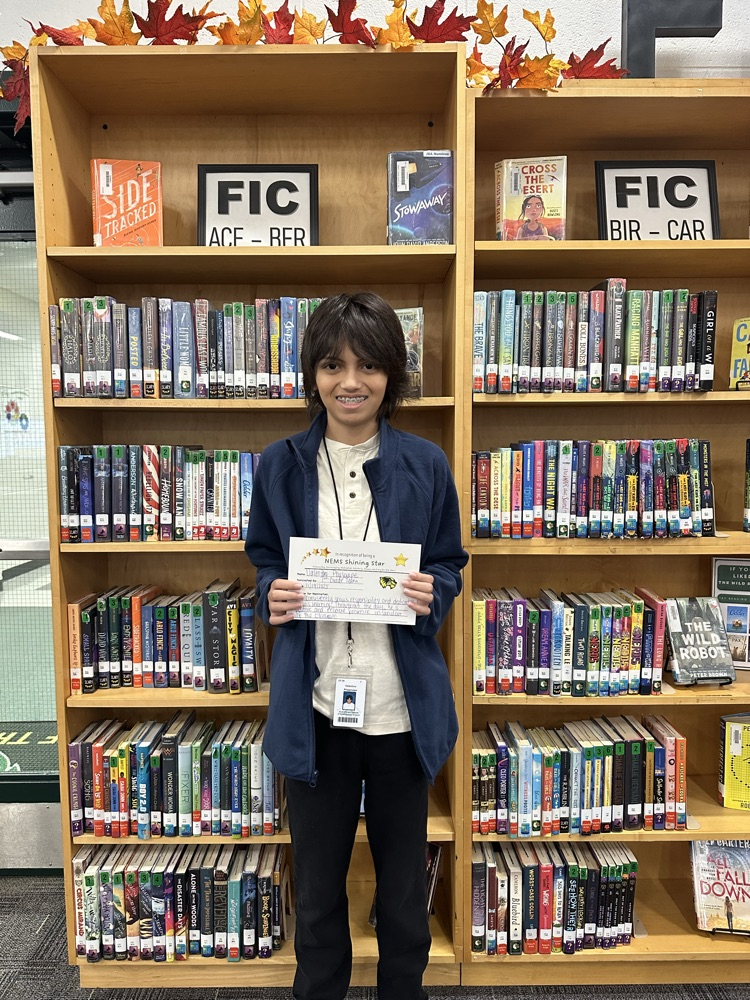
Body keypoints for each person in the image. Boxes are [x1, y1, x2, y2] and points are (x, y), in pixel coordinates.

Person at [245, 292, 467, 1000]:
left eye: (369, 365)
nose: (351, 381)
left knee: (404, 894)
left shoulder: (425, 464)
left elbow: (449, 562)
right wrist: (271, 593)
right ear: (312, 372)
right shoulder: (279, 465)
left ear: (391, 376)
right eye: (334, 364)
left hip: (399, 713)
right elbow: (260, 560)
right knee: (315, 892)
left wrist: (434, 591)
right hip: (314, 716)